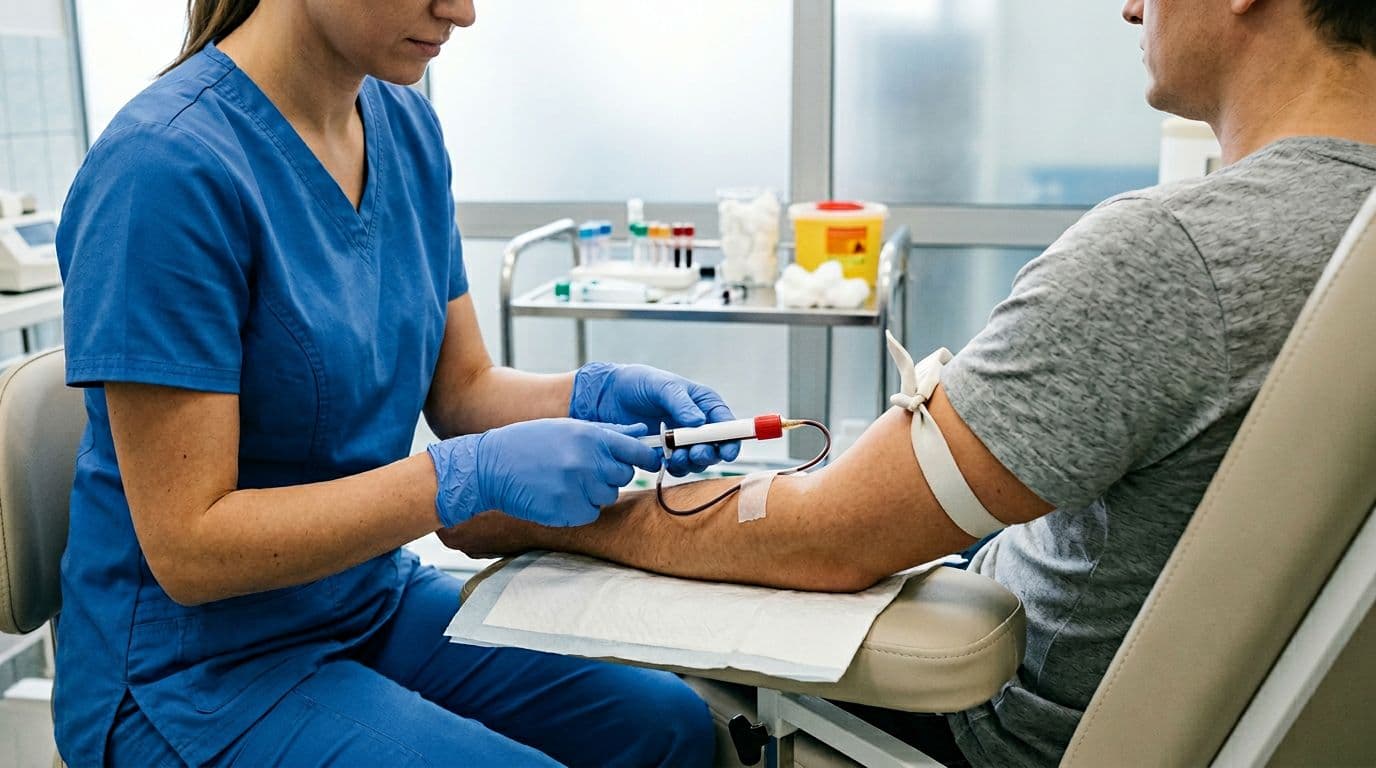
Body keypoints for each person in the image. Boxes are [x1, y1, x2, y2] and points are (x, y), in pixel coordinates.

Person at [437, 1, 1376, 766]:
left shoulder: (1173, 258)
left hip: (986, 723)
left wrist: (547, 518)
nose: (1129, 5)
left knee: (661, 700)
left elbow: (828, 537)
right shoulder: (1343, 240)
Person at [54, 1, 738, 765]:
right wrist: (462, 478)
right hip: (197, 668)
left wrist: (590, 394)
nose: (463, 12)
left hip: (366, 597)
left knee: (667, 725)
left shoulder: (405, 128)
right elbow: (190, 549)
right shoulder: (164, 169)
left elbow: (464, 390)